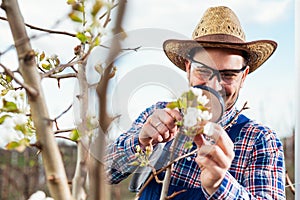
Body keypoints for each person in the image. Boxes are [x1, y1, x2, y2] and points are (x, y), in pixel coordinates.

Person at [105, 6, 285, 199]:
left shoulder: (260, 140)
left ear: (244, 76)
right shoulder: (157, 112)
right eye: (204, 71)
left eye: (228, 75)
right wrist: (141, 142)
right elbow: (103, 173)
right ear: (188, 67)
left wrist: (219, 184)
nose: (214, 86)